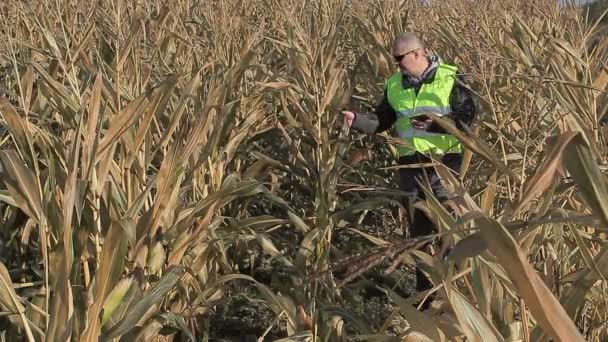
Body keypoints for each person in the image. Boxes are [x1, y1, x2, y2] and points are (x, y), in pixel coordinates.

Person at [341, 32, 478, 308]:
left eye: (400, 59)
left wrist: (438, 124)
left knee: (448, 231)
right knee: (419, 235)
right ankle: (426, 298)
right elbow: (381, 120)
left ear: (417, 54)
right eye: (394, 61)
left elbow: (467, 117)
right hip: (410, 169)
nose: (397, 65)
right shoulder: (395, 85)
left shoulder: (451, 78)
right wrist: (357, 120)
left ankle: (455, 297)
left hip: (444, 166)